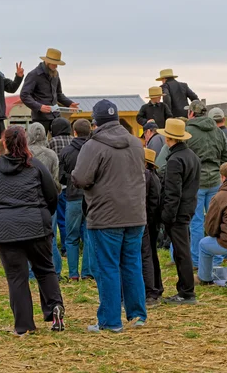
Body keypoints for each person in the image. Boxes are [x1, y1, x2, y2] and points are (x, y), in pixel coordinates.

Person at [0, 125, 64, 335]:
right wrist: (44, 215)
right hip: (36, 225)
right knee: (45, 269)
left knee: (17, 277)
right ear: (25, 143)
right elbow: (52, 194)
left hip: (6, 229)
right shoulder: (36, 166)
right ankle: (54, 309)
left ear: (4, 143)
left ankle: (24, 326)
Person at [72, 100, 147, 332]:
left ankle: (110, 321)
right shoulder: (136, 143)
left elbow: (82, 178)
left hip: (105, 215)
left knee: (107, 267)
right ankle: (137, 315)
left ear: (96, 122)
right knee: (132, 263)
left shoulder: (92, 146)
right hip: (135, 213)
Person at [185, 100, 227, 268]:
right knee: (217, 221)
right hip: (215, 181)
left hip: (194, 182)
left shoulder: (187, 131)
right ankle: (218, 258)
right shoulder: (218, 131)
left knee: (196, 223)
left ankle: (197, 260)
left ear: (191, 113)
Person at [158, 118, 201, 304]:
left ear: (169, 138)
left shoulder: (175, 160)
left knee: (181, 252)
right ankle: (186, 290)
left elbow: (173, 193)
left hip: (177, 212)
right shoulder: (191, 155)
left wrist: (166, 217)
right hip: (188, 207)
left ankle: (186, 291)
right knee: (184, 250)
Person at [59, 119, 94, 281]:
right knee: (89, 236)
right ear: (90, 131)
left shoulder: (66, 152)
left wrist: (71, 178)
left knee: (71, 237)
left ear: (75, 132)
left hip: (73, 197)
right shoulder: (95, 149)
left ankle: (73, 273)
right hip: (91, 197)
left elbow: (60, 177)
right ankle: (87, 272)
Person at [28, 122, 62, 276]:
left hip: (27, 201)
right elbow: (55, 181)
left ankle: (31, 272)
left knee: (29, 237)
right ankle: (55, 270)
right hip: (48, 200)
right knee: (51, 237)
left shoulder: (25, 154)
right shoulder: (51, 154)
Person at [20, 48, 79, 133]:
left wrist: (69, 103)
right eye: (55, 63)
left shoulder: (55, 74)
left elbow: (58, 94)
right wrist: (39, 107)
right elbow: (24, 95)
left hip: (56, 115)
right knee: (40, 142)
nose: (56, 66)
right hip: (40, 118)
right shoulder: (34, 74)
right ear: (47, 62)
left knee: (59, 141)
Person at [49, 117, 73, 256]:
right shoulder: (73, 141)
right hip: (74, 185)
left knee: (62, 218)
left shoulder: (52, 142)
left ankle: (64, 247)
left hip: (59, 185)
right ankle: (77, 244)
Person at [142, 148, 163, 304]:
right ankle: (156, 287)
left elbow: (153, 203)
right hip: (152, 221)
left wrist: (148, 221)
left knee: (148, 255)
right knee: (151, 254)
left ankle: (152, 289)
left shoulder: (149, 178)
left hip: (149, 221)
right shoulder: (154, 177)